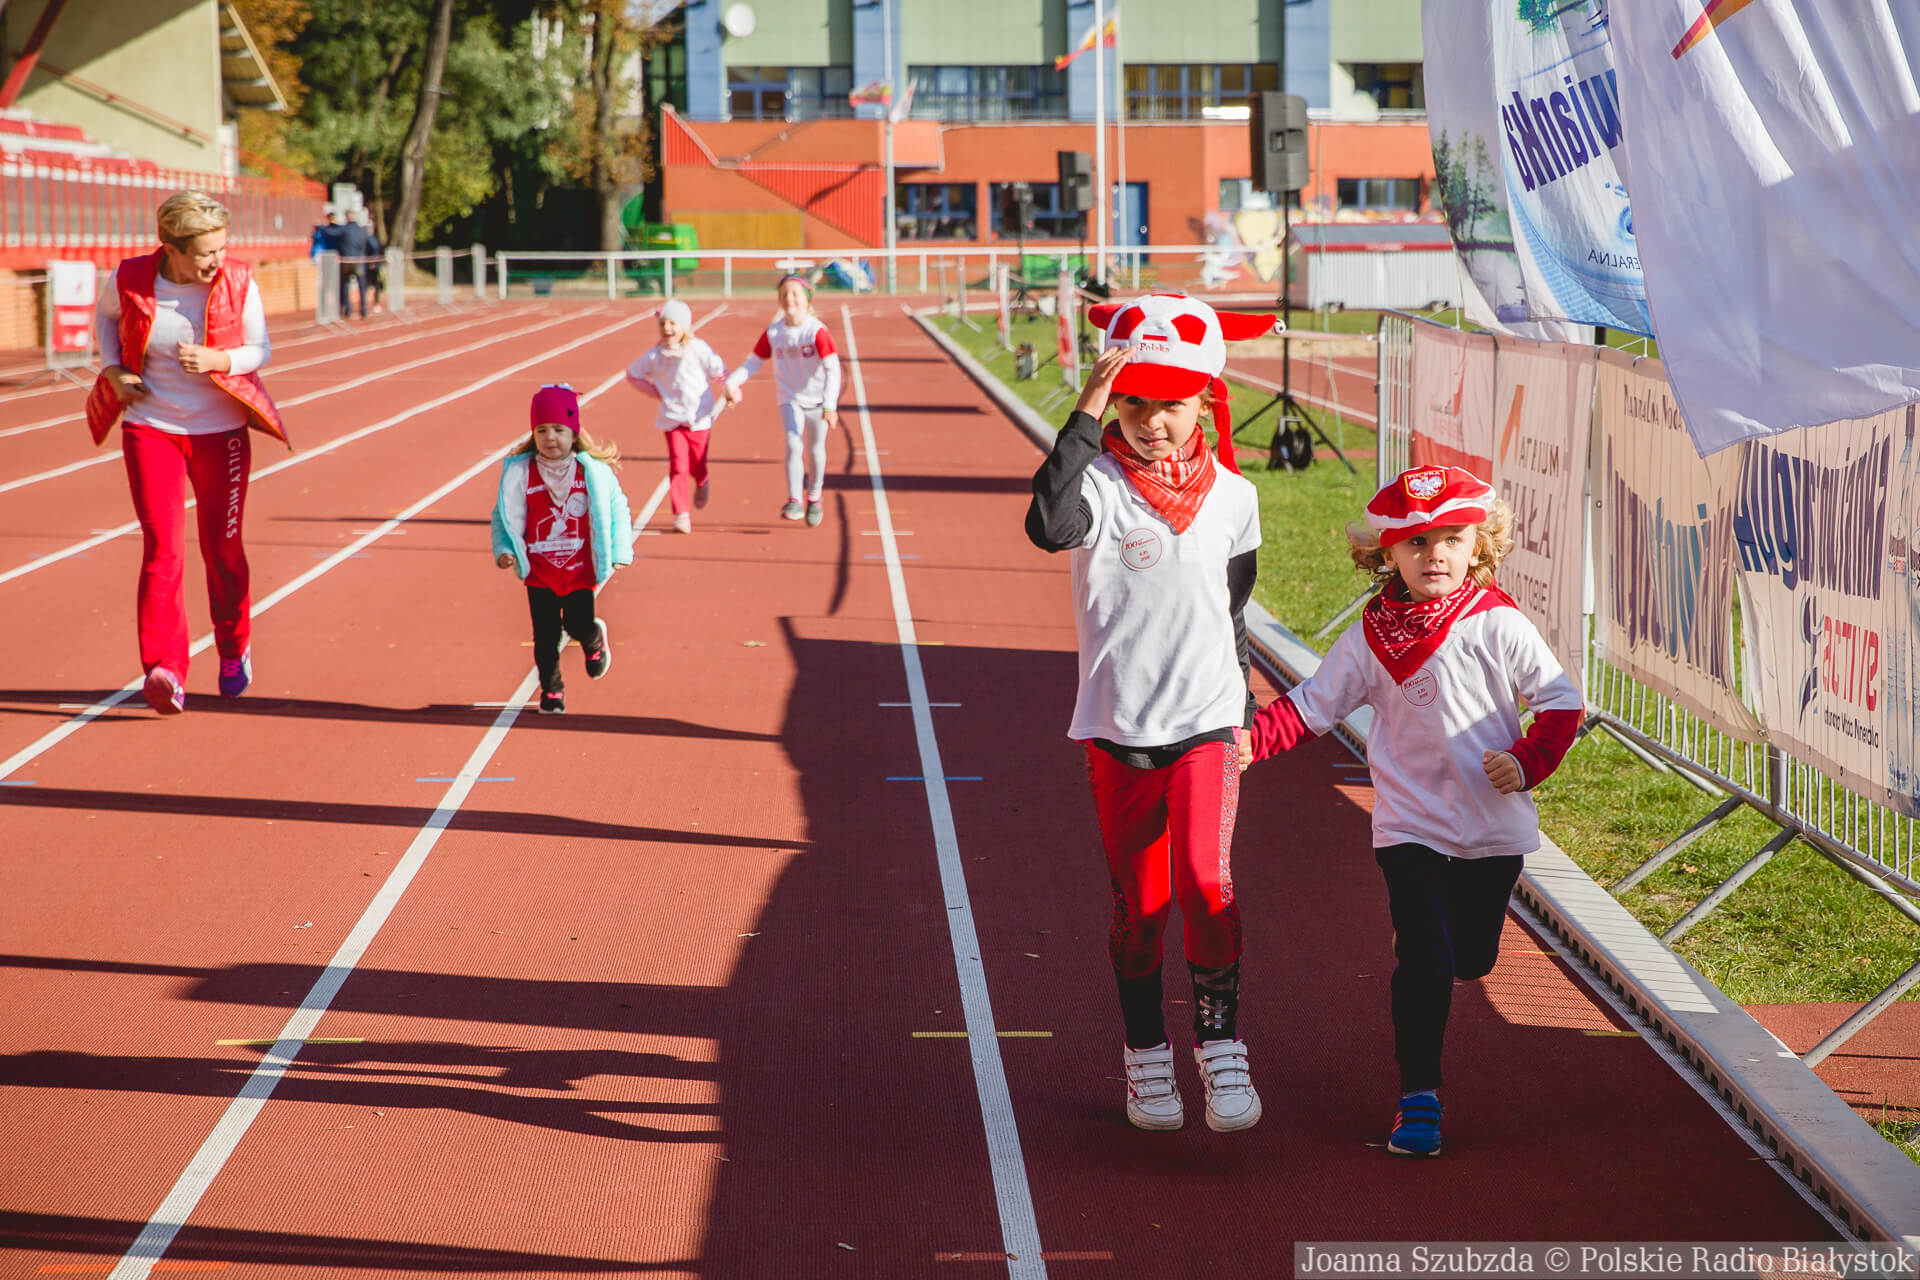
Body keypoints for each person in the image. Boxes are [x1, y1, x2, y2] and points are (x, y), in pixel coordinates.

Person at [1244, 465, 1584, 1157]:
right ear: (1387, 552)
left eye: (1452, 539)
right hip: (1409, 826)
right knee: (1426, 959)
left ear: (1479, 545)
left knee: (1471, 960)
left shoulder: (1496, 622)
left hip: (1493, 830)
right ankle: (1418, 1098)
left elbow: (1560, 702)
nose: (1436, 555)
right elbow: (1310, 707)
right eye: (1417, 542)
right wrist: (1246, 746)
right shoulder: (1367, 637)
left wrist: (1526, 761)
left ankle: (1444, 952)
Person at [1025, 293, 1278, 1133]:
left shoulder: (1235, 496)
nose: (1152, 422)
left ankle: (1221, 1045)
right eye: (1134, 404)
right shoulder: (1097, 485)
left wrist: (1243, 709)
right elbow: (1048, 525)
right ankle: (1145, 1054)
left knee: (1207, 884)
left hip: (1207, 722)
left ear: (1205, 398)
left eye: (1171, 403)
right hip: (1119, 730)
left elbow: (1231, 612)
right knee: (1140, 915)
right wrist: (1087, 409)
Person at [86, 189, 288, 716]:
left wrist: (220, 360)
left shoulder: (238, 280)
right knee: (162, 549)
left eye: (221, 248)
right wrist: (113, 369)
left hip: (221, 432)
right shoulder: (131, 277)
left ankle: (234, 645)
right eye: (205, 252)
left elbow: (260, 349)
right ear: (171, 248)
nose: (217, 260)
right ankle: (165, 670)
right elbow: (106, 317)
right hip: (151, 427)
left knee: (222, 550)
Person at [490, 383, 634, 715]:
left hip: (579, 569)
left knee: (577, 625)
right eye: (541, 430)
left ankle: (592, 638)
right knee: (545, 636)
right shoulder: (520, 474)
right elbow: (503, 515)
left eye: (558, 429)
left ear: (573, 433)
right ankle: (552, 691)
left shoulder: (593, 472)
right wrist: (504, 549)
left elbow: (618, 508)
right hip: (540, 572)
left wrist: (621, 551)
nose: (550, 437)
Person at [724, 274, 841, 527]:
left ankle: (815, 495)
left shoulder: (817, 331)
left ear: (807, 300)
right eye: (784, 294)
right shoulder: (774, 332)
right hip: (790, 398)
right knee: (792, 442)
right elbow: (753, 362)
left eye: (795, 293)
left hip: (818, 401)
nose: (789, 299)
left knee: (815, 449)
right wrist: (732, 383)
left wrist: (830, 405)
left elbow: (833, 368)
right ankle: (795, 499)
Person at [626, 299, 735, 534]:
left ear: (684, 326)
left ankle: (702, 480)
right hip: (672, 419)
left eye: (673, 323)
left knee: (697, 463)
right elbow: (633, 374)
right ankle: (681, 514)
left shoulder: (698, 349)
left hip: (699, 418)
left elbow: (719, 371)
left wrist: (730, 389)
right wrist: (655, 392)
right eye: (663, 324)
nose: (667, 328)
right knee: (678, 464)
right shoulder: (655, 356)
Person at [335, 209, 373, 320]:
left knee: (345, 285)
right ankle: (364, 310)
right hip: (359, 261)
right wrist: (372, 258)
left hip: (347, 261)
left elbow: (331, 232)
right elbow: (372, 244)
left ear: (347, 217)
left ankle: (348, 310)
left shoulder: (344, 229)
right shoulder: (362, 230)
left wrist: (320, 227)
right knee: (362, 286)